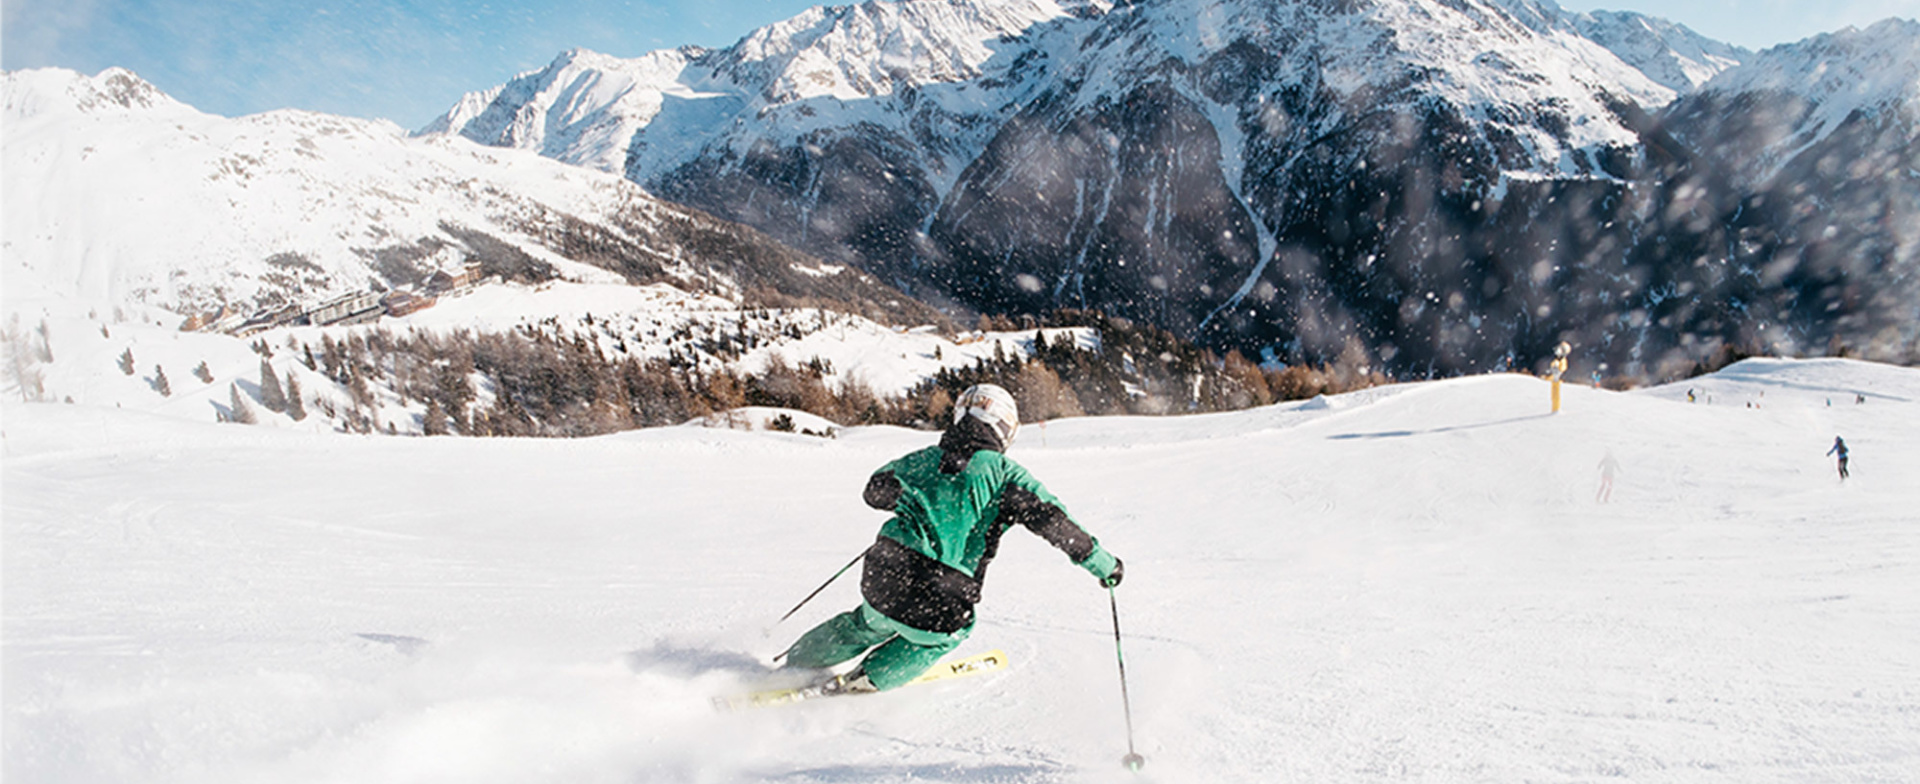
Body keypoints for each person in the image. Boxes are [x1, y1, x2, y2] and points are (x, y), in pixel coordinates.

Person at [780, 383, 1124, 694]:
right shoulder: (1007, 475)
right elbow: (1059, 526)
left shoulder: (923, 459)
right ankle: (865, 681)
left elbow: (875, 491)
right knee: (944, 637)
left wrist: (920, 496)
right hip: (942, 592)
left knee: (867, 622)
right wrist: (1106, 567)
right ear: (1005, 429)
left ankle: (793, 665)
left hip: (884, 569)